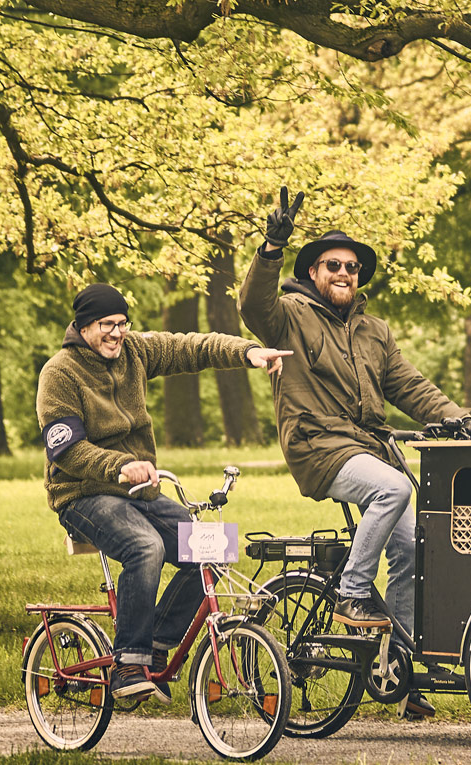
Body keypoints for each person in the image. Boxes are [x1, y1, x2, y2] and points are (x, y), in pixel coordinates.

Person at [239, 188, 471, 720]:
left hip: (366, 448)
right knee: (393, 487)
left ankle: (398, 666)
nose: (345, 273)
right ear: (312, 272)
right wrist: (271, 247)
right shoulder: (289, 315)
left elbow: (409, 385)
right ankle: (353, 593)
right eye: (333, 265)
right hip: (317, 445)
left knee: (417, 549)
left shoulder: (375, 331)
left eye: (352, 267)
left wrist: (454, 418)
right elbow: (251, 305)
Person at [37, 281, 292, 705]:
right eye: (106, 325)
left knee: (215, 547)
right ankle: (128, 665)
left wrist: (248, 352)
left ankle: (155, 643)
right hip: (82, 493)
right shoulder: (59, 373)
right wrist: (119, 465)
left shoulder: (135, 352)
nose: (116, 333)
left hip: (140, 491)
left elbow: (194, 347)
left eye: (122, 324)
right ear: (82, 327)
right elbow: (67, 450)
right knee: (145, 546)